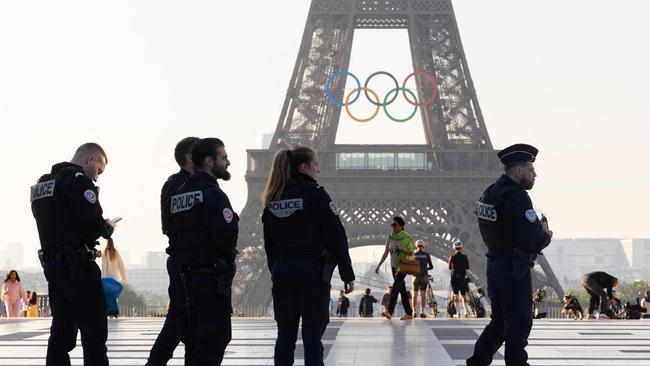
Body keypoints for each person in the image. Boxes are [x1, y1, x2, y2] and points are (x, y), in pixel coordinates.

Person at [262, 147, 355, 366]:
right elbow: (336, 237)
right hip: (311, 271)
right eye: (315, 165)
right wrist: (346, 273)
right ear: (304, 167)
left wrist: (277, 270)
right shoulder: (315, 194)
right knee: (312, 336)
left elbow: (269, 245)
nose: (318, 170)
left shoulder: (273, 199)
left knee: (285, 335)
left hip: (282, 270)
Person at [30, 142, 116, 365]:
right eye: (99, 170)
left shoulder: (42, 185)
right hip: (78, 265)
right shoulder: (77, 181)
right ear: (90, 160)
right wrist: (107, 227)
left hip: (53, 266)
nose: (96, 178)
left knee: (61, 330)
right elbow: (94, 224)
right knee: (94, 330)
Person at [466, 143, 553, 366]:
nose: (535, 174)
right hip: (514, 268)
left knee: (499, 321)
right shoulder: (518, 197)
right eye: (531, 170)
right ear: (519, 171)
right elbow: (531, 239)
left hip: (494, 265)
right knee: (519, 322)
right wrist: (545, 235)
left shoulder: (490, 192)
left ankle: (477, 362)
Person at [170, 137, 238, 365]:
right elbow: (226, 236)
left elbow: (173, 232)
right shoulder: (213, 194)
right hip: (211, 277)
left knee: (195, 340)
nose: (228, 162)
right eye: (224, 157)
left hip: (188, 275)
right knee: (214, 339)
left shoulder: (179, 194)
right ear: (209, 161)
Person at [147, 136, 200, 366]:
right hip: (189, 259)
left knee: (183, 321)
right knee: (181, 319)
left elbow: (166, 226)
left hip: (177, 256)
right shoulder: (193, 185)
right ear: (190, 157)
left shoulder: (170, 184)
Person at [375, 216, 414, 320]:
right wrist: (379, 265)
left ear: (401, 226)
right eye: (392, 225)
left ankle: (389, 312)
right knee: (402, 290)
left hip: (403, 266)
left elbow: (411, 252)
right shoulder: (390, 237)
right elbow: (386, 252)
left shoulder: (407, 238)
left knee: (395, 287)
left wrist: (403, 249)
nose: (393, 227)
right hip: (394, 266)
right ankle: (409, 313)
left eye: (395, 225)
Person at [101, 237, 127, 317]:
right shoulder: (116, 252)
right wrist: (123, 277)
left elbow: (103, 266)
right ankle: (114, 312)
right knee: (113, 295)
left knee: (106, 295)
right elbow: (121, 265)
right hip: (114, 279)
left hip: (106, 278)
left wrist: (102, 278)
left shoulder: (105, 252)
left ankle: (108, 311)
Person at [449, 241, 471, 318]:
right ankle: (466, 312)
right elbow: (468, 267)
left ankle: (458, 313)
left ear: (454, 248)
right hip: (462, 278)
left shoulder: (452, 257)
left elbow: (449, 267)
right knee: (464, 295)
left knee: (456, 295)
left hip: (454, 278)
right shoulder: (465, 257)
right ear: (461, 248)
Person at [412, 240, 433, 318]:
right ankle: (422, 311)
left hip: (415, 276)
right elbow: (431, 266)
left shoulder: (413, 254)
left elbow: (410, 265)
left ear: (416, 246)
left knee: (415, 294)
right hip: (424, 276)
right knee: (423, 295)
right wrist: (425, 268)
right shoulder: (427, 255)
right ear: (423, 246)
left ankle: (414, 311)